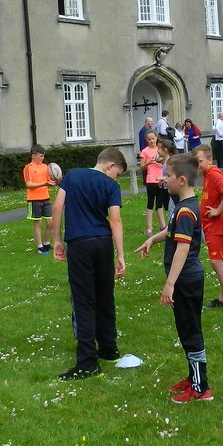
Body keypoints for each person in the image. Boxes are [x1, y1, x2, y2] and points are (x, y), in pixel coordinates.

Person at [136, 154, 213, 402]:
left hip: (186, 279)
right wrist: (152, 239)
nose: (163, 179)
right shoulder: (183, 206)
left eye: (167, 175)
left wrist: (169, 284)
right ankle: (193, 377)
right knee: (185, 328)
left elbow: (182, 248)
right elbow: (171, 232)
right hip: (184, 278)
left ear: (181, 180)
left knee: (191, 330)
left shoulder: (186, 211)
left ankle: (201, 388)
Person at [52, 146, 129, 378]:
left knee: (84, 300)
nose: (116, 179)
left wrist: (56, 239)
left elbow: (57, 207)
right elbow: (115, 221)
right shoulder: (110, 185)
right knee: (105, 295)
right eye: (118, 174)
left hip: (79, 244)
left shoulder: (72, 175)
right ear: (111, 165)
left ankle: (87, 361)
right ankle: (108, 347)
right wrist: (120, 254)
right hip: (102, 243)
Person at [193, 146, 223, 314]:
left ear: (210, 160)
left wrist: (218, 210)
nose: (197, 166)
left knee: (216, 261)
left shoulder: (213, 174)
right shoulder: (207, 174)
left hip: (216, 226)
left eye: (200, 162)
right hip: (212, 225)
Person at [23, 144, 57, 255]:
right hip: (34, 199)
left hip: (46, 198)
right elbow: (28, 184)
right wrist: (44, 183)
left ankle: (47, 244)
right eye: (41, 156)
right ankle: (40, 247)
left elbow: (49, 181)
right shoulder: (28, 168)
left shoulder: (45, 167)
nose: (43, 158)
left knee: (50, 223)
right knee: (38, 223)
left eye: (43, 156)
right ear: (33, 156)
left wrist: (54, 181)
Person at [139, 130, 168, 235]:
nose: (152, 141)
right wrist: (148, 162)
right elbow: (142, 167)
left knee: (160, 203)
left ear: (157, 138)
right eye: (149, 139)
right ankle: (149, 227)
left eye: (153, 138)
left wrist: (162, 161)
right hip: (151, 180)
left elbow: (167, 161)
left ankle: (163, 226)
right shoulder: (145, 151)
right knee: (150, 202)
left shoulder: (160, 150)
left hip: (161, 178)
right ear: (146, 140)